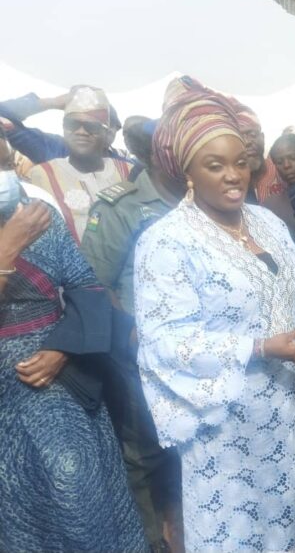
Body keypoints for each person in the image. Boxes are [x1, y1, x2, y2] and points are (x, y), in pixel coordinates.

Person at [134, 75, 295, 552]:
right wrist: (259, 347)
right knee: (236, 529)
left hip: (279, 404)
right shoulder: (167, 241)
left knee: (283, 521)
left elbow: (275, 281)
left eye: (240, 163)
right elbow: (164, 340)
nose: (233, 176)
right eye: (215, 165)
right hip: (222, 421)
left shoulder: (264, 221)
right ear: (188, 171)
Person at [0, 131, 146, 551]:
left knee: (73, 480)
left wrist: (63, 347)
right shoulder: (19, 231)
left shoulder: (38, 215)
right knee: (18, 498)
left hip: (56, 378)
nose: (6, 175)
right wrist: (7, 251)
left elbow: (86, 286)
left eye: (6, 163)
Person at [80, 113, 186, 551]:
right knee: (144, 453)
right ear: (156, 155)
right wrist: (132, 334)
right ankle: (149, 541)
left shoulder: (204, 199)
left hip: (197, 352)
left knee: (190, 446)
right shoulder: (120, 206)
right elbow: (92, 281)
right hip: (138, 356)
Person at [25, 87, 132, 242]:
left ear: (106, 132)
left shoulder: (129, 172)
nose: (81, 131)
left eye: (92, 126)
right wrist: (51, 102)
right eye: (72, 124)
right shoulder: (41, 175)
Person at [0, 87, 133, 168]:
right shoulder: (55, 149)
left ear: (116, 129)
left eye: (96, 125)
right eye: (75, 124)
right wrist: (51, 102)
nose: (84, 131)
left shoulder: (126, 166)